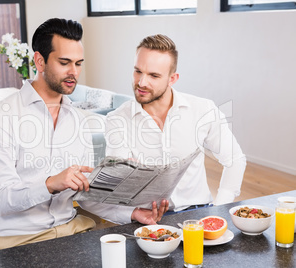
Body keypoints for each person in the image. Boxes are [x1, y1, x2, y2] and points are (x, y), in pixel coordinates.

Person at [0, 18, 168, 253]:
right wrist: (50, 184)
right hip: (17, 241)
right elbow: (0, 200)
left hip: (71, 231)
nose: (74, 72)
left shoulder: (78, 120)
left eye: (78, 63)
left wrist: (131, 212)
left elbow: (84, 194)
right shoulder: (1, 116)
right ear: (39, 61)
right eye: (64, 62)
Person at [105, 34, 247, 214]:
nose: (141, 82)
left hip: (198, 211)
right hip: (148, 218)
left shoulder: (202, 110)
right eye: (138, 71)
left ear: (172, 79)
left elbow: (234, 159)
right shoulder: (117, 119)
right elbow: (117, 180)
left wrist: (221, 208)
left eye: (154, 75)